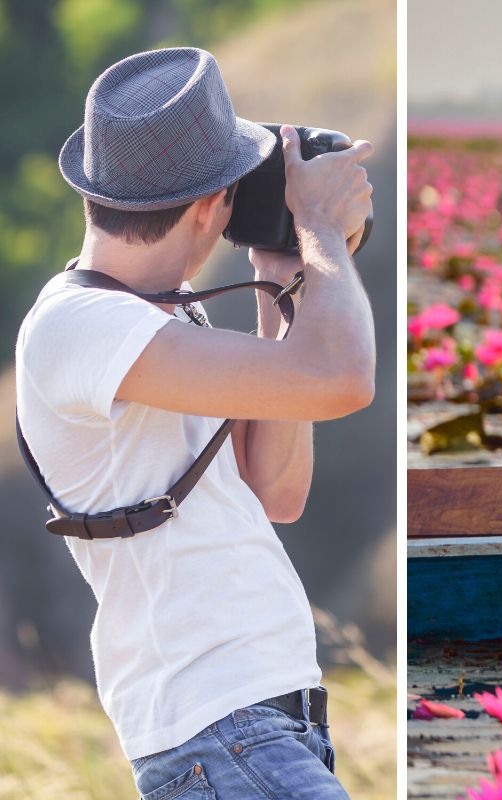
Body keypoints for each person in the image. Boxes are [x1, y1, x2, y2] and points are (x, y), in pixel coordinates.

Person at [14, 47, 374, 798]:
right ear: (211, 204)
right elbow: (341, 377)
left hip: (265, 719)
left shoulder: (165, 317)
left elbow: (274, 490)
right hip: (217, 726)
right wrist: (323, 231)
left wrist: (282, 280)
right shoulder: (82, 326)